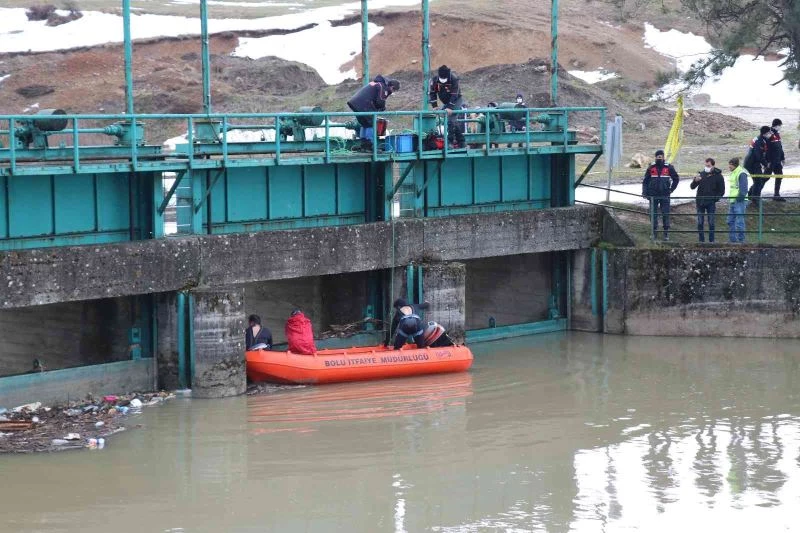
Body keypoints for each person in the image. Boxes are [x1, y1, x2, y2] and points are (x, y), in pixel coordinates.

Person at [347, 75, 400, 148]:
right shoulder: (382, 87)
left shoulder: (378, 84)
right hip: (363, 104)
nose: (393, 91)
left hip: (355, 103)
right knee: (371, 123)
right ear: (391, 86)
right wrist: (382, 107)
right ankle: (370, 145)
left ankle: (363, 144)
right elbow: (380, 102)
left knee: (364, 123)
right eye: (393, 89)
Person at [642, 149, 680, 241]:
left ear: (663, 157)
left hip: (665, 195)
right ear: (655, 157)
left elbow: (676, 179)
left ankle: (666, 233)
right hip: (653, 195)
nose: (659, 158)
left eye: (661, 157)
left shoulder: (669, 167)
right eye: (658, 157)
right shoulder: (651, 167)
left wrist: (671, 189)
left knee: (665, 214)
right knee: (653, 214)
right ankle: (654, 232)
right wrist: (644, 192)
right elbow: (645, 181)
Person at [428, 65, 465, 148]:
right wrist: (435, 106)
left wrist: (450, 107)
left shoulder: (454, 79)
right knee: (450, 120)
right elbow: (432, 93)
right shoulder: (435, 80)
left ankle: (450, 142)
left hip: (456, 100)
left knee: (451, 119)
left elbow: (454, 95)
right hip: (446, 101)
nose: (443, 81)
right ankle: (461, 141)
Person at [690, 157, 725, 242]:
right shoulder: (701, 174)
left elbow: (722, 190)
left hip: (710, 203)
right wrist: (695, 181)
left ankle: (711, 241)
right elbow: (692, 187)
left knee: (711, 222)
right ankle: (701, 240)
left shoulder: (718, 176)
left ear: (713, 166)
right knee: (700, 222)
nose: (707, 167)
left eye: (708, 165)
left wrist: (714, 199)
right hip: (700, 202)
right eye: (706, 165)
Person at [745, 126, 772, 207]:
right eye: (769, 132)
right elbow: (758, 155)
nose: (770, 134)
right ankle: (755, 200)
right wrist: (766, 164)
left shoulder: (761, 139)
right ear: (765, 133)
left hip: (754, 163)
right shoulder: (759, 141)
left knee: (757, 180)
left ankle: (750, 195)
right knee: (758, 181)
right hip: (752, 163)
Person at [727, 157, 749, 243]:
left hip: (739, 201)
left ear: (734, 165)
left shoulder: (741, 173)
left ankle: (741, 241)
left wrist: (738, 199)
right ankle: (733, 241)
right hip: (733, 201)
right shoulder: (734, 172)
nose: (729, 167)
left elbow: (743, 189)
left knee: (739, 222)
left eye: (730, 165)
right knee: (730, 221)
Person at [767, 118, 786, 201]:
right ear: (777, 125)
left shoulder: (777, 134)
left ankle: (776, 195)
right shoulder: (769, 134)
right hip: (770, 161)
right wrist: (766, 161)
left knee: (779, 176)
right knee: (765, 178)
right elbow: (766, 148)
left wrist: (782, 158)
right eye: (780, 126)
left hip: (777, 160)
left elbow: (780, 147)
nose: (780, 127)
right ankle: (753, 194)